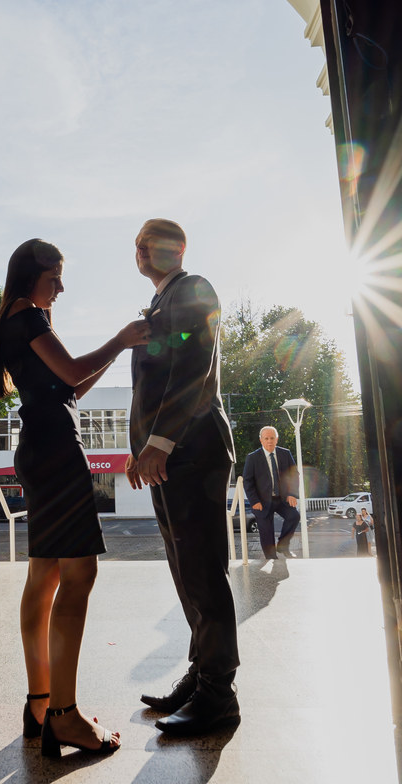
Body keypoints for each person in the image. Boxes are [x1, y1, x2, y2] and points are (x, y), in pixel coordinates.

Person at [0, 238, 149, 758]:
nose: (61, 285)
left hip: (38, 449)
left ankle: (41, 704)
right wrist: (121, 339)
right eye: (55, 275)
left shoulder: (17, 318)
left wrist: (113, 353)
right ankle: (64, 714)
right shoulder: (30, 316)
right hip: (57, 454)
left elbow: (69, 387)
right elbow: (75, 372)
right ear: (32, 275)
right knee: (79, 575)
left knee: (45, 576)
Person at [124, 219, 240, 736]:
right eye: (140, 242)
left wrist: (160, 440)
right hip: (171, 454)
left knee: (203, 571)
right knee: (185, 570)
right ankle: (200, 675)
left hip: (193, 449)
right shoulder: (160, 303)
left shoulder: (194, 289)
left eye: (154, 241)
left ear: (180, 249)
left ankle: (219, 694)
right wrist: (140, 449)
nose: (144, 249)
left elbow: (194, 366)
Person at [242, 426, 302, 560]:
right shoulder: (252, 458)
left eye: (272, 438)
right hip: (262, 502)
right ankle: (271, 558)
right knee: (266, 532)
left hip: (282, 499)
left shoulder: (285, 453)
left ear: (277, 439)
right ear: (261, 440)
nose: (269, 441)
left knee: (294, 516)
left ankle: (283, 545)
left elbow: (294, 475)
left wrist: (292, 493)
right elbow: (248, 482)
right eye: (266, 438)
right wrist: (254, 501)